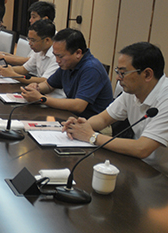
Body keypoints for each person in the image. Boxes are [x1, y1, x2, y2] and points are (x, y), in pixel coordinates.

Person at [63, 42, 168, 176]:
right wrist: (79, 126)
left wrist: (92, 136)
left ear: (147, 74)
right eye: (118, 72)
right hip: (139, 166)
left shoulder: (165, 98)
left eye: (123, 73)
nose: (118, 78)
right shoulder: (132, 92)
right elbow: (103, 119)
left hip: (161, 176)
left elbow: (142, 148)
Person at [20, 28, 113, 118]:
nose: (57, 61)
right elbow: (49, 85)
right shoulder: (68, 64)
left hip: (92, 123)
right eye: (55, 56)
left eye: (60, 56)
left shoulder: (91, 69)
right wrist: (36, 88)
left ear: (78, 53)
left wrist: (41, 99)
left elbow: (79, 105)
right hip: (71, 117)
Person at [0, 19, 65, 98]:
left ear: (47, 40)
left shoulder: (57, 56)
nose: (29, 43)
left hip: (54, 98)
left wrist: (13, 75)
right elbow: (24, 69)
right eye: (29, 39)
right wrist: (4, 69)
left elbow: (45, 81)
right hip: (39, 93)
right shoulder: (39, 50)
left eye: (33, 40)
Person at [0, 0, 57, 65]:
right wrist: (2, 54)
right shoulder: (38, 35)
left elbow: (27, 61)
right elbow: (28, 60)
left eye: (34, 17)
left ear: (45, 19)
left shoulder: (51, 39)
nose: (30, 20)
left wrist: (3, 57)